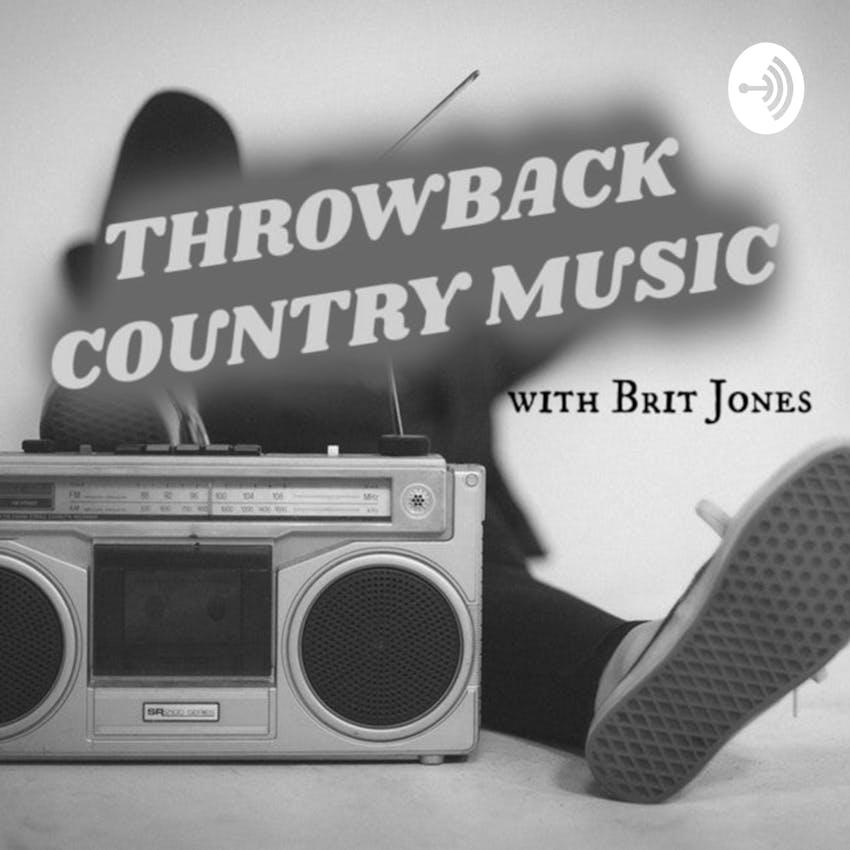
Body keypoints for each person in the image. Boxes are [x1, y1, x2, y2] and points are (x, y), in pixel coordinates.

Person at [45, 90, 850, 804]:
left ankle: (646, 660)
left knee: (453, 576)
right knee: (183, 123)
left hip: (420, 556)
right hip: (239, 509)